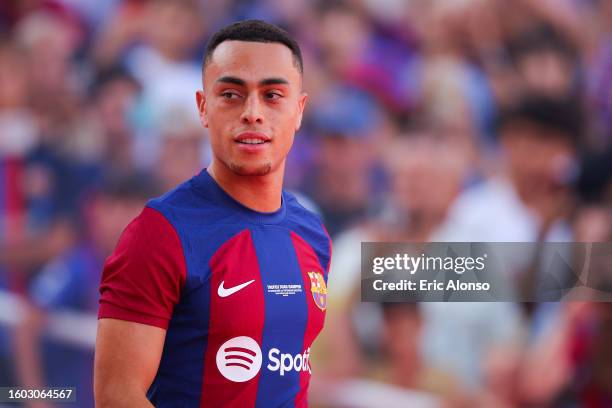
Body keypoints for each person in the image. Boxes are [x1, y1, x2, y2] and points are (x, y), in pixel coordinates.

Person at [94, 20, 332, 408]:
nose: (253, 112)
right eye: (231, 95)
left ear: (299, 110)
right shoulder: (160, 232)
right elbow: (116, 396)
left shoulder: (312, 234)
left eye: (272, 95)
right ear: (204, 108)